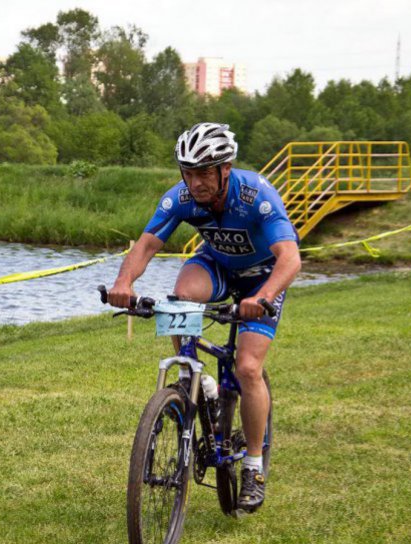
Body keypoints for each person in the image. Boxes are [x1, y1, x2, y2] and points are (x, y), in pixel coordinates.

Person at [108, 122, 301, 512]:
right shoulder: (181, 197)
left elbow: (290, 258)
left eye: (204, 173)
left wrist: (262, 297)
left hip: (262, 278)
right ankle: (196, 379)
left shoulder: (256, 195)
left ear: (225, 169)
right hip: (217, 266)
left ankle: (253, 466)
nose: (195, 182)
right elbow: (146, 244)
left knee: (248, 368)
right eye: (188, 172)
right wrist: (123, 282)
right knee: (181, 297)